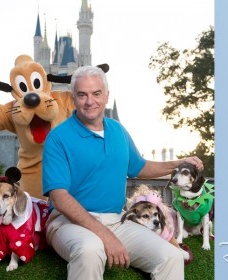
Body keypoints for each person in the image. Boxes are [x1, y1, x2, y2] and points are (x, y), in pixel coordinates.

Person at [42, 65, 204, 280]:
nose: (90, 101)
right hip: (68, 223)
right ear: (73, 98)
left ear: (107, 96)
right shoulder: (58, 138)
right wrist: (105, 236)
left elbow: (141, 167)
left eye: (96, 93)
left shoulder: (118, 130)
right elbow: (59, 199)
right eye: (82, 95)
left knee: (171, 256)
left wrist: (179, 163)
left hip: (116, 221)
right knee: (90, 251)